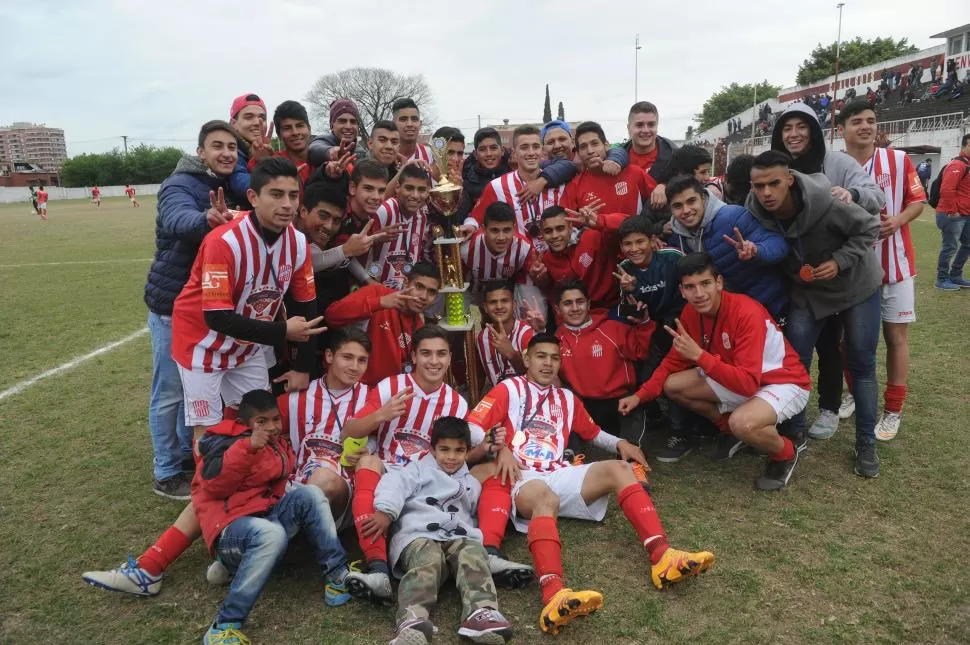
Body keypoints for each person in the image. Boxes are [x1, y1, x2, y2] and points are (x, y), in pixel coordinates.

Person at [80, 328, 372, 600]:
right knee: (212, 491)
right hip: (285, 490)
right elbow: (251, 437)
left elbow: (387, 450)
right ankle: (149, 568)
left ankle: (246, 553)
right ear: (329, 357)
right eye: (347, 357)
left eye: (362, 360)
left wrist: (368, 455)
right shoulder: (295, 399)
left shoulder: (374, 399)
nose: (354, 366)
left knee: (322, 480)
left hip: (335, 498)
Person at [467, 333, 714, 635]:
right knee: (545, 498)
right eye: (541, 356)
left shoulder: (566, 398)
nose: (548, 363)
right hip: (522, 476)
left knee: (620, 469)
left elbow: (593, 432)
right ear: (527, 359)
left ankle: (662, 556)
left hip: (557, 471)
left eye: (554, 358)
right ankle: (553, 594)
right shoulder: (509, 389)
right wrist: (500, 448)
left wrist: (621, 442)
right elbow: (471, 427)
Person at [745, 151, 883, 478]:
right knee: (794, 362)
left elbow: (869, 227)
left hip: (855, 285)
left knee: (861, 363)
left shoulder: (827, 201)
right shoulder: (754, 209)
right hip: (807, 291)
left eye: (774, 183)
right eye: (758, 185)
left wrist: (839, 260)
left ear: (789, 179)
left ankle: (866, 441)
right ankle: (793, 432)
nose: (766, 193)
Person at [619, 253, 810, 489]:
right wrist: (640, 395)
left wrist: (699, 357)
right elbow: (672, 363)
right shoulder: (690, 313)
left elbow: (748, 384)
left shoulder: (746, 312)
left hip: (783, 381)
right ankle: (731, 431)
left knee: (744, 423)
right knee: (673, 385)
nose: (699, 294)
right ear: (682, 290)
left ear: (719, 282)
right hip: (739, 376)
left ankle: (786, 452)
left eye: (705, 284)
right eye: (690, 287)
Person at [171, 157, 324, 442]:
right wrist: (282, 331)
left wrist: (302, 367)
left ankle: (253, 482)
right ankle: (210, 484)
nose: (287, 204)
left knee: (260, 418)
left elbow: (307, 308)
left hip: (248, 344)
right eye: (276, 195)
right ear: (253, 197)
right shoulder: (223, 241)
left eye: (293, 195)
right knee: (209, 429)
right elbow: (216, 317)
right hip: (201, 342)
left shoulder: (298, 242)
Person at [193, 390, 352, 645]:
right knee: (271, 533)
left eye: (275, 419)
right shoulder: (225, 443)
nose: (271, 427)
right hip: (231, 530)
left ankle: (338, 576)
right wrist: (246, 448)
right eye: (261, 422)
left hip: (265, 520)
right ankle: (223, 625)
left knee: (310, 494)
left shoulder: (278, 443)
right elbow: (213, 486)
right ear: (247, 424)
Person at [770, 100, 886, 439]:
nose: (793, 134)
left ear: (814, 130)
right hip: (806, 281)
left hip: (848, 275)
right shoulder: (777, 169)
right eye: (786, 129)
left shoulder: (835, 161)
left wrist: (849, 194)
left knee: (838, 350)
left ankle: (830, 410)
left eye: (801, 126)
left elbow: (875, 196)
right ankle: (791, 424)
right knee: (801, 350)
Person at [143, 120, 240, 500]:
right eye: (217, 146)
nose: (226, 153)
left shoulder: (229, 183)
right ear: (200, 152)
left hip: (206, 307)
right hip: (171, 305)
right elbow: (176, 218)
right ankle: (165, 472)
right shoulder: (180, 184)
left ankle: (185, 455)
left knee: (192, 388)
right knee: (168, 391)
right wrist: (206, 220)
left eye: (232, 147)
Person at [341, 325, 471, 603]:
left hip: (427, 478)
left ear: (449, 358)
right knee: (367, 462)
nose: (434, 361)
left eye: (441, 354)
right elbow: (350, 429)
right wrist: (381, 415)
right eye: (426, 353)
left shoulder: (456, 403)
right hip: (388, 467)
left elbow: (457, 452)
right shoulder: (391, 386)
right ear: (413, 355)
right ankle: (376, 567)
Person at [369, 416, 514, 645]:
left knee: (474, 555)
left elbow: (477, 513)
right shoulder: (416, 469)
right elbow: (393, 484)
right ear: (432, 448)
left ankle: (481, 613)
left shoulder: (471, 482)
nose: (451, 457)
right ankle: (412, 620)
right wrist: (386, 511)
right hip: (419, 534)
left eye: (459, 451)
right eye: (444, 449)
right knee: (427, 562)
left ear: (468, 452)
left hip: (458, 535)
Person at [840, 100, 927, 441]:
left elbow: (918, 201)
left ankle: (892, 410)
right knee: (850, 340)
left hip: (896, 267)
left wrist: (898, 220)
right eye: (857, 120)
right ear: (842, 129)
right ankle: (851, 392)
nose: (865, 126)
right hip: (852, 269)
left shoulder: (899, 159)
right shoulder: (834, 164)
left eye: (871, 121)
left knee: (895, 338)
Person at [665, 174, 789, 322]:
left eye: (691, 201)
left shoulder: (733, 216)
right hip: (729, 315)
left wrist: (756, 250)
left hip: (768, 304)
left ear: (703, 198)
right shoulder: (675, 238)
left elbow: (779, 244)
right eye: (678, 206)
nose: (686, 210)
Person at [554, 280, 655, 449]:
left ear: (588, 304)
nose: (575, 308)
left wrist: (644, 324)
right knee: (564, 402)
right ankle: (569, 457)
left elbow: (641, 352)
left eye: (580, 302)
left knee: (631, 406)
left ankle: (631, 458)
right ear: (558, 309)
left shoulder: (612, 328)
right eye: (567, 303)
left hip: (618, 402)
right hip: (584, 406)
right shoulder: (557, 339)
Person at [324, 261, 440, 385]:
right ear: (406, 283)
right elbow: (332, 315)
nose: (423, 296)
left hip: (387, 394)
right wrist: (379, 303)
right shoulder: (377, 293)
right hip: (350, 388)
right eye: (418, 287)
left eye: (431, 292)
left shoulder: (418, 325)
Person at [468, 124, 573, 251]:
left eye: (535, 147)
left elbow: (572, 223)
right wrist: (470, 225)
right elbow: (476, 218)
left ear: (542, 150)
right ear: (514, 152)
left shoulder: (561, 184)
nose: (531, 153)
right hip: (518, 265)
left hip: (555, 262)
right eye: (524, 148)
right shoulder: (497, 187)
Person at [533, 204, 626, 310]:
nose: (554, 236)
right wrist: (541, 280)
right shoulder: (545, 260)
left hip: (611, 308)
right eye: (548, 231)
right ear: (542, 233)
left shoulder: (593, 237)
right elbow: (555, 299)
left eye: (560, 228)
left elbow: (629, 224)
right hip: (578, 317)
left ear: (570, 226)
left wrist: (600, 220)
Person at [562, 121, 655, 215]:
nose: (590, 151)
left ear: (606, 145)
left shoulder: (634, 173)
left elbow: (660, 204)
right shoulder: (574, 186)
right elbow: (566, 222)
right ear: (578, 153)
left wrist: (662, 187)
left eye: (595, 144)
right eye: (583, 147)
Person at [365, 163, 433, 290]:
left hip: (403, 294)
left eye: (422, 190)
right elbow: (356, 254)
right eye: (409, 188)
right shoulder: (384, 211)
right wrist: (369, 282)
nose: (415, 195)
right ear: (397, 187)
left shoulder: (422, 216)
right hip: (375, 290)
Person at [462, 202, 537, 304]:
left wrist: (540, 276)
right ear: (483, 229)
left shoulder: (524, 247)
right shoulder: (467, 247)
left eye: (507, 230)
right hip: (474, 294)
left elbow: (539, 283)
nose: (501, 237)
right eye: (494, 230)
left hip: (508, 295)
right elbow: (457, 285)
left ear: (514, 228)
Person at [476, 280, 537, 387]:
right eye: (493, 302)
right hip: (499, 399)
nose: (499, 306)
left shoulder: (527, 333)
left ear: (514, 305)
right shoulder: (481, 338)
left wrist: (512, 354)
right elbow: (479, 376)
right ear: (485, 307)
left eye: (504, 301)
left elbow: (536, 378)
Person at [934, 134, 970, 291]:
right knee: (950, 246)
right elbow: (947, 190)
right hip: (952, 214)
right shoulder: (957, 164)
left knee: (968, 245)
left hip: (965, 214)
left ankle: (955, 275)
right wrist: (952, 211)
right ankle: (941, 279)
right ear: (964, 146)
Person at [456, 127, 512, 221]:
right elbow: (461, 217)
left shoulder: (513, 169)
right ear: (475, 154)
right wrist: (458, 193)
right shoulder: (467, 180)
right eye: (482, 149)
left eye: (493, 148)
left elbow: (543, 166)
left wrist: (544, 178)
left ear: (502, 151)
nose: (488, 154)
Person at [228, 93, 272, 199]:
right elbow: (240, 183)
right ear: (233, 124)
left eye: (262, 117)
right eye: (249, 117)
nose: (257, 122)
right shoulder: (229, 152)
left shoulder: (268, 151)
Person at [307, 97, 365, 168]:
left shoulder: (361, 152)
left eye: (353, 122)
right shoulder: (323, 141)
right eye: (342, 121)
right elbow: (314, 148)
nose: (348, 126)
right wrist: (330, 152)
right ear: (332, 125)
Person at [267, 100, 314, 184]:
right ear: (279, 135)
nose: (295, 132)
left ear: (309, 129)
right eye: (287, 128)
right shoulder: (274, 163)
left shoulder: (324, 158)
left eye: (300, 126)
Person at [392, 98, 434, 169]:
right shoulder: (386, 154)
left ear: (420, 124)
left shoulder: (430, 155)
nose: (409, 124)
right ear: (393, 123)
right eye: (403, 119)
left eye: (414, 119)